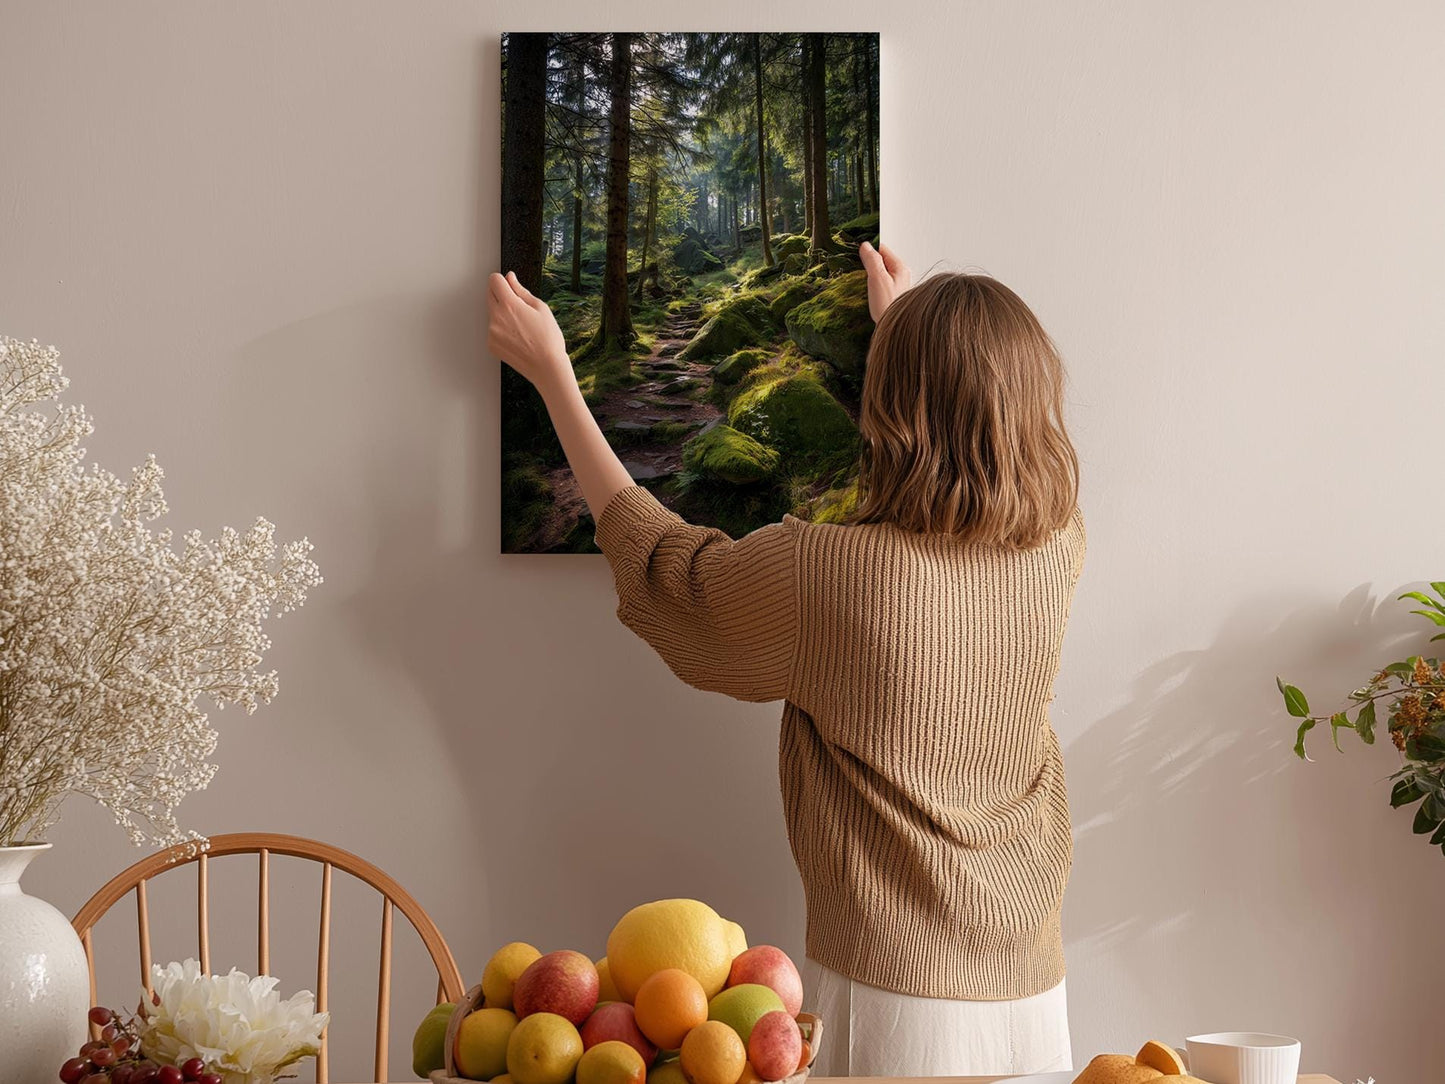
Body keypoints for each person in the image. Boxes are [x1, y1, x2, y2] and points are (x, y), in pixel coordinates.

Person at [486, 242, 1085, 1077]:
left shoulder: (825, 573)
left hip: (894, 996)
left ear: (891, 406)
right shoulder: (1056, 547)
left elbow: (668, 568)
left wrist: (554, 374)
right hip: (1032, 987)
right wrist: (902, 334)